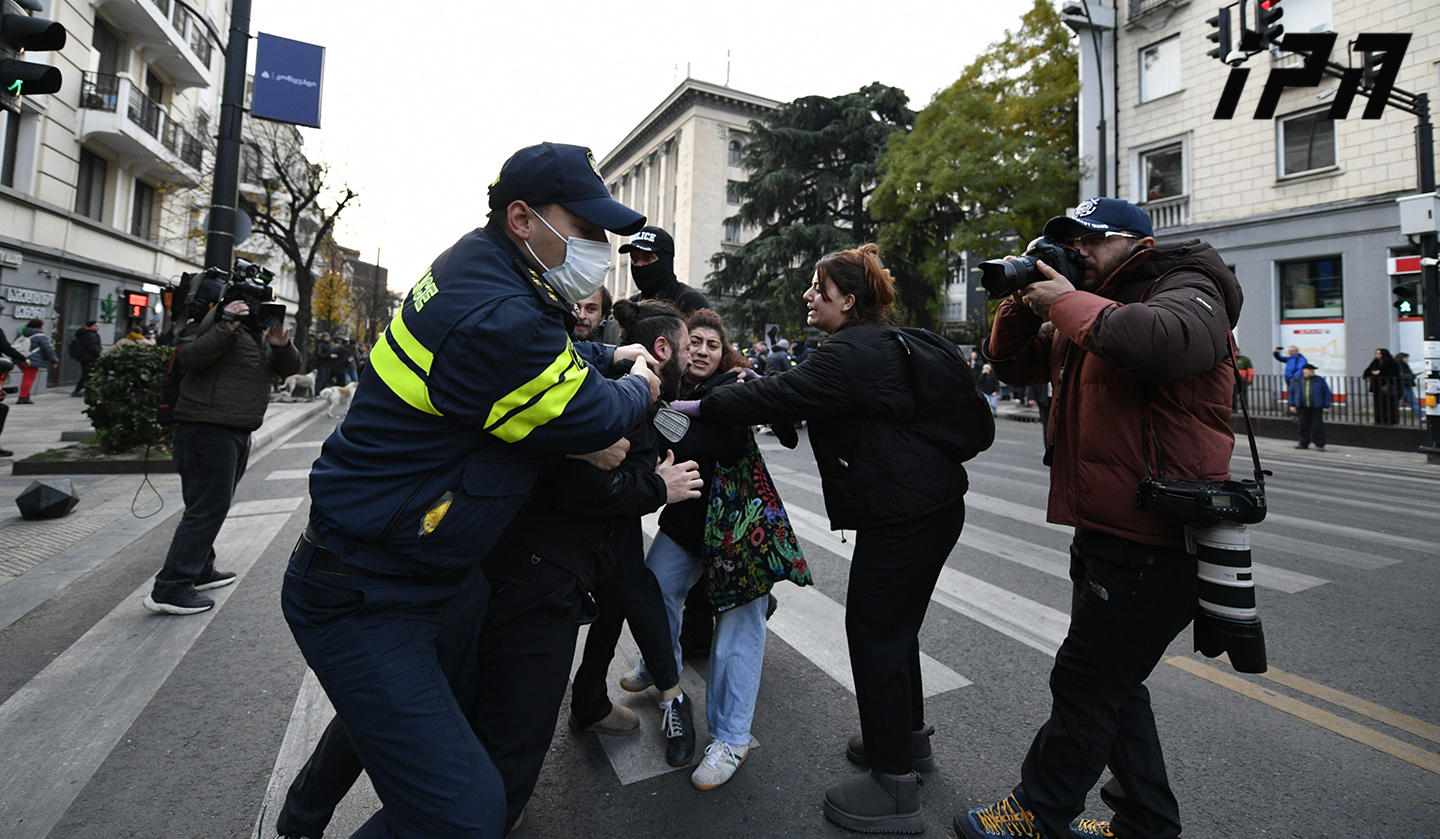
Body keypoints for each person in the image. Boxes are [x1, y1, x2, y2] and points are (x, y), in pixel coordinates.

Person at [280, 142, 660, 838]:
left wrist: (606, 354)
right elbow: (594, 414)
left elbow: (539, 359)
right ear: (523, 219)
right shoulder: (501, 311)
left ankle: (301, 818)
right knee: (463, 813)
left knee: (422, 737)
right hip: (369, 588)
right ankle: (305, 817)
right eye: (586, 233)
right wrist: (638, 384)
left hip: (432, 576)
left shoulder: (483, 267)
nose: (600, 251)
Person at [954, 197, 1241, 839]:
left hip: (1161, 531)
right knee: (1116, 682)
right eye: (1064, 241)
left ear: (1131, 242)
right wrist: (1021, 294)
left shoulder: (1186, 286)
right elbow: (1010, 362)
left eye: (1086, 239)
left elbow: (1159, 344)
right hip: (1108, 526)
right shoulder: (1087, 307)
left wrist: (1061, 300)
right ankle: (1145, 823)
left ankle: (1038, 812)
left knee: (1087, 680)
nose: (1074, 250)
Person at [675, 244, 973, 833]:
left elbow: (774, 396)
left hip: (907, 514)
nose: (809, 296)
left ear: (848, 301)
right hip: (927, 505)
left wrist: (693, 403)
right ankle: (908, 743)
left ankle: (893, 790)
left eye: (819, 288)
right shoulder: (881, 341)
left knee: (874, 631)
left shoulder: (849, 352)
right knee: (895, 629)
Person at [623, 306, 806, 791]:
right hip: (687, 525)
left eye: (711, 344)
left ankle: (731, 738)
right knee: (653, 589)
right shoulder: (678, 388)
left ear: (724, 351)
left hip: (739, 531)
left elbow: (708, 439)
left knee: (739, 631)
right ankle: (662, 662)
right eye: (694, 342)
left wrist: (651, 410)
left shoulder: (734, 388)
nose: (701, 351)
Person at [568, 299, 699, 765]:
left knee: (626, 598)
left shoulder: (651, 393)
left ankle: (595, 701)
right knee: (633, 598)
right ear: (662, 348)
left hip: (613, 535)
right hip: (568, 546)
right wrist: (659, 487)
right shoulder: (616, 397)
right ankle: (670, 697)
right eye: (687, 348)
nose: (693, 357)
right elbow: (592, 488)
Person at [143, 297, 302, 615]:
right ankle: (171, 587)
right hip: (205, 428)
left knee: (209, 506)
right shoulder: (208, 326)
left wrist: (282, 345)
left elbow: (289, 370)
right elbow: (189, 358)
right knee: (206, 508)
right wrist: (226, 325)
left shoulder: (258, 335)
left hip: (235, 430)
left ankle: (199, 568)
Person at [621, 225, 710, 314]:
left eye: (648, 257)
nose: (639, 264)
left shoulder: (690, 302)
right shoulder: (632, 304)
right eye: (634, 258)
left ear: (666, 261)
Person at [14, 319, 59, 403]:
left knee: (26, 377)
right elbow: (48, 349)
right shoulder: (40, 336)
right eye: (43, 325)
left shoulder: (22, 333)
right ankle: (23, 397)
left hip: (20, 358)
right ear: (39, 326)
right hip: (32, 360)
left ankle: (25, 395)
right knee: (28, 378)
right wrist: (54, 360)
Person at [1288, 363, 1331, 450]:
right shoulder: (1297, 380)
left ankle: (1320, 444)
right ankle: (1303, 443)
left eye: (1313, 370)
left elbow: (1326, 393)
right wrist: (1292, 405)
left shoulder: (1319, 380)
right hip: (1302, 407)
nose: (1312, 371)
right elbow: (1291, 393)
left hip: (1316, 406)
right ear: (1304, 370)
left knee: (1317, 426)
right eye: (1310, 370)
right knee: (1302, 426)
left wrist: (1326, 405)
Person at [1361, 348, 1401, 425]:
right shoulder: (1375, 362)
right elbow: (1367, 371)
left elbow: (1393, 374)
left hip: (1387, 386)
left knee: (1388, 404)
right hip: (1377, 387)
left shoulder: (1391, 363)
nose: (1378, 355)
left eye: (1380, 353)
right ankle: (1379, 420)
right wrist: (1372, 373)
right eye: (1377, 353)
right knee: (1378, 404)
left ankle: (1389, 420)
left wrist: (1380, 373)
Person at [68, 321, 103, 397]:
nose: (98, 327)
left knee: (86, 374)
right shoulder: (91, 335)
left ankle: (81, 390)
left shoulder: (85, 334)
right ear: (90, 326)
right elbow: (92, 346)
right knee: (87, 374)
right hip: (90, 357)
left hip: (84, 357)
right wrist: (99, 353)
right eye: (96, 326)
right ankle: (78, 390)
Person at [1395, 351, 1422, 420]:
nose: (1407, 360)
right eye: (1406, 358)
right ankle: (1422, 416)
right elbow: (1401, 375)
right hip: (1403, 385)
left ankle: (1422, 416)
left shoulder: (1401, 365)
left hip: (1404, 385)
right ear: (1402, 358)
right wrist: (1413, 375)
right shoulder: (1400, 365)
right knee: (1412, 402)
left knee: (1411, 402)